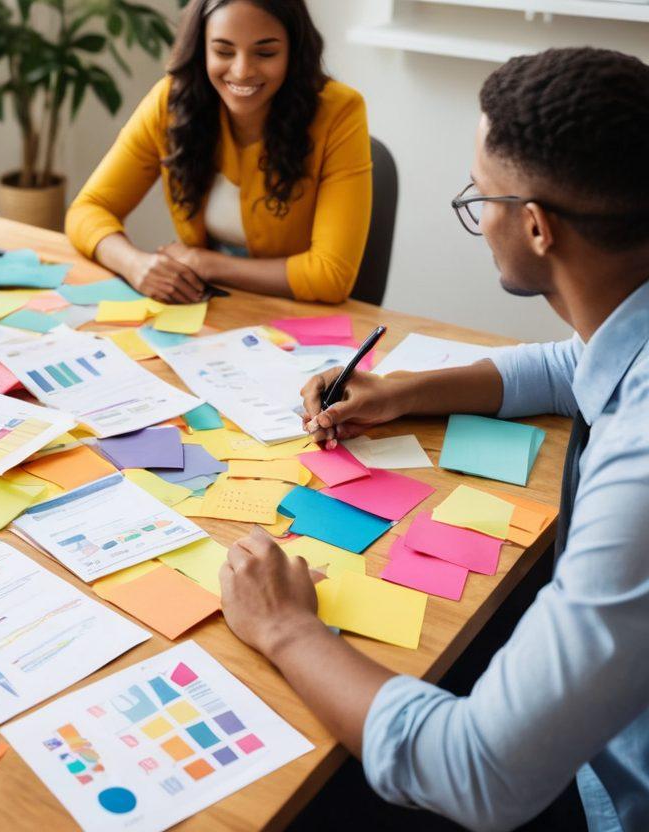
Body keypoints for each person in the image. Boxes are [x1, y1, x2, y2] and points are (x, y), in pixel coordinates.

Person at [219, 47, 649, 831]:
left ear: (536, 226)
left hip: (611, 794)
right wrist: (400, 392)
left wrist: (284, 625)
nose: (476, 218)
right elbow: (579, 362)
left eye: (479, 196)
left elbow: (477, 774)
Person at [65, 0, 372, 304]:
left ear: (294, 51)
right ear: (201, 50)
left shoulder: (340, 112)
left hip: (295, 315)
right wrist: (134, 264)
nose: (242, 71)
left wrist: (204, 263)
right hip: (206, 311)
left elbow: (331, 276)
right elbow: (88, 210)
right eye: (224, 52)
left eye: (265, 53)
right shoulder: (171, 103)